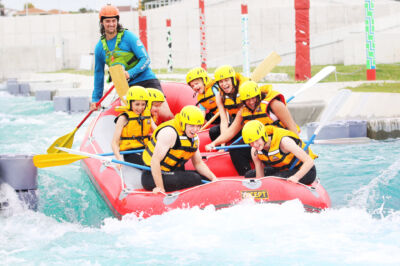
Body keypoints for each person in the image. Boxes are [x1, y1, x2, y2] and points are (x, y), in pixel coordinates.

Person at [90, 4, 173, 121]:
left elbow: (145, 59)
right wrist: (96, 99)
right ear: (102, 23)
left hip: (146, 79)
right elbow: (98, 75)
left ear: (117, 21)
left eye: (114, 20)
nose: (111, 24)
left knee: (165, 114)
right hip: (126, 88)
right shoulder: (99, 48)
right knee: (133, 120)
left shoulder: (128, 37)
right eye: (107, 21)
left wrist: (130, 73)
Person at [205, 80, 300, 175]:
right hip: (260, 142)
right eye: (247, 100)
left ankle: (276, 172)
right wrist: (214, 143)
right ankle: (247, 175)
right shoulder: (243, 111)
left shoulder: (274, 105)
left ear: (258, 96)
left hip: (279, 142)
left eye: (253, 98)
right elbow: (231, 131)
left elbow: (292, 128)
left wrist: (296, 147)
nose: (251, 102)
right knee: (235, 149)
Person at [141, 105, 217, 194]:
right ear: (183, 123)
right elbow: (155, 161)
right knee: (194, 178)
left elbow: (198, 163)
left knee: (205, 178)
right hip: (152, 176)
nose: (195, 129)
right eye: (192, 125)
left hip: (173, 172)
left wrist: (214, 178)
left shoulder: (194, 138)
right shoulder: (169, 133)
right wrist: (160, 188)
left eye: (198, 126)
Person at [241, 120, 318, 185]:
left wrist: (296, 177)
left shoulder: (284, 142)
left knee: (275, 179)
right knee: (249, 175)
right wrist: (261, 187)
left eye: (257, 140)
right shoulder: (254, 151)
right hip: (282, 169)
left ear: (263, 135)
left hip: (305, 171)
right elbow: (259, 177)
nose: (255, 145)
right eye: (251, 142)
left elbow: (309, 161)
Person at [111, 86, 156, 169]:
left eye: (143, 104)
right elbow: (114, 142)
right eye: (137, 104)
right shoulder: (123, 118)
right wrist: (118, 158)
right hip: (130, 151)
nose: (140, 108)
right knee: (151, 164)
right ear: (130, 103)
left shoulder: (147, 115)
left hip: (145, 147)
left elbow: (157, 131)